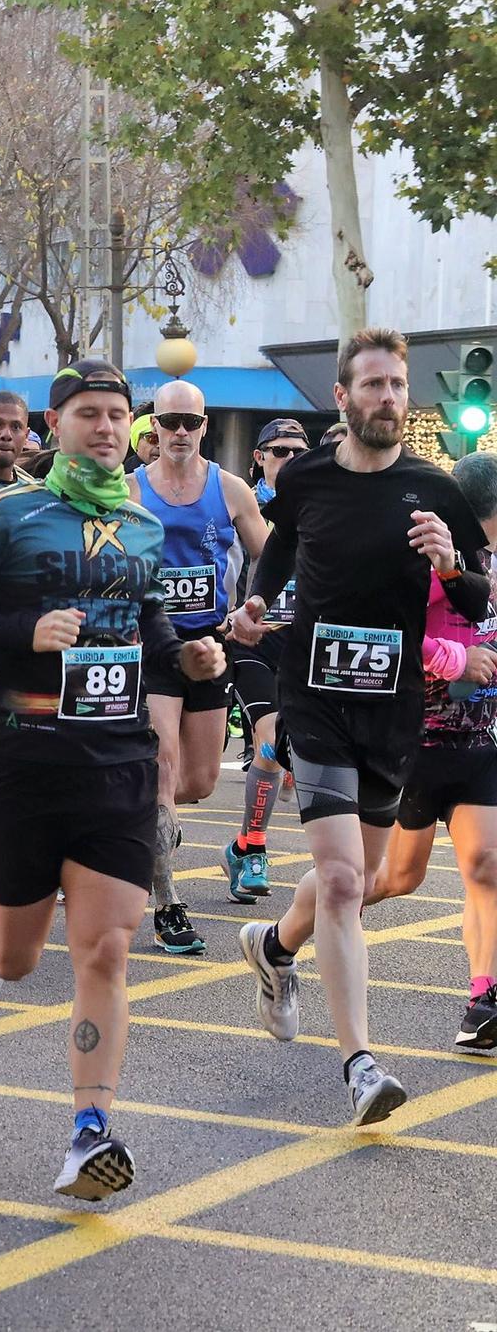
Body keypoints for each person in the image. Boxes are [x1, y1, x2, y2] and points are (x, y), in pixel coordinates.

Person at [0, 357, 225, 1199]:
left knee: (107, 949)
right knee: (16, 959)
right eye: (88, 414)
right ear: (56, 426)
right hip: (25, 758)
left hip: (119, 760)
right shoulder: (11, 512)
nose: (108, 429)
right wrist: (23, 630)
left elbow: (145, 615)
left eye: (120, 416)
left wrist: (185, 656)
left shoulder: (143, 522)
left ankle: (91, 1129)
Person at [229, 327, 491, 1125]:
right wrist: (255, 603)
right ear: (341, 398)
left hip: (393, 707)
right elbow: (276, 554)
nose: (387, 398)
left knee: (365, 879)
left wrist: (450, 563)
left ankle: (274, 947)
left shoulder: (435, 487)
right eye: (372, 385)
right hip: (314, 696)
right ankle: (361, 1064)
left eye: (397, 386)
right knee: (342, 878)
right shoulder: (307, 476)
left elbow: (479, 603)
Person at [130, 379, 269, 954]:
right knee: (162, 773)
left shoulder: (231, 489)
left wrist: (250, 610)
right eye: (170, 423)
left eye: (191, 422)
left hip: (212, 649)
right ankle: (167, 905)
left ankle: (137, 818)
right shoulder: (131, 489)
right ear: (154, 428)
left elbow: (270, 556)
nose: (180, 432)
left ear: (205, 426)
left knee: (198, 782)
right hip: (155, 647)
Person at [367, 449, 497, 1052]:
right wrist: (458, 660)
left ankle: (483, 1000)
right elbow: (390, 633)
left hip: (481, 741)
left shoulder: (488, 562)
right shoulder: (426, 557)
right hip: (418, 738)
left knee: (485, 866)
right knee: (396, 878)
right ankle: (285, 936)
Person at [222, 418, 310, 902]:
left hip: (305, 646)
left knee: (282, 748)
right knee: (270, 739)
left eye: (299, 452)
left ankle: (240, 845)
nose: (290, 460)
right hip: (252, 642)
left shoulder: (321, 505)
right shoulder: (243, 504)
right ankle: (254, 847)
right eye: (279, 452)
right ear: (259, 457)